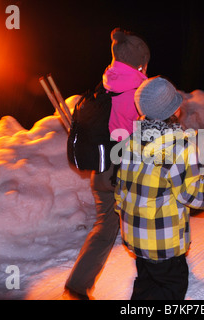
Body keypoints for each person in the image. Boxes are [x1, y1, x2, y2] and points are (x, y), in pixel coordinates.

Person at [114, 76, 204, 300]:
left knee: (147, 285)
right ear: (172, 108)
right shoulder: (177, 146)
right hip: (162, 243)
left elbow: (123, 187)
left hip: (135, 235)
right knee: (170, 290)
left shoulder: (132, 140)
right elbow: (195, 195)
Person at [63, 28, 150, 300]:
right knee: (146, 223)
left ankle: (78, 285)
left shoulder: (107, 84)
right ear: (139, 63)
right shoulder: (137, 93)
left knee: (106, 227)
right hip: (123, 174)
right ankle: (157, 279)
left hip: (101, 171)